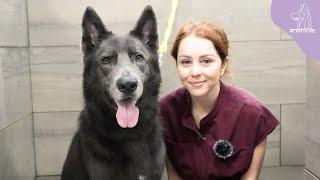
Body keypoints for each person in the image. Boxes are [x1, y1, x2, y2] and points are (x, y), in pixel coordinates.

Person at [159, 21, 280, 180]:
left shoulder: (252, 114)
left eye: (206, 61)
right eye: (186, 62)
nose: (195, 72)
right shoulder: (165, 111)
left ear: (223, 65)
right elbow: (174, 176)